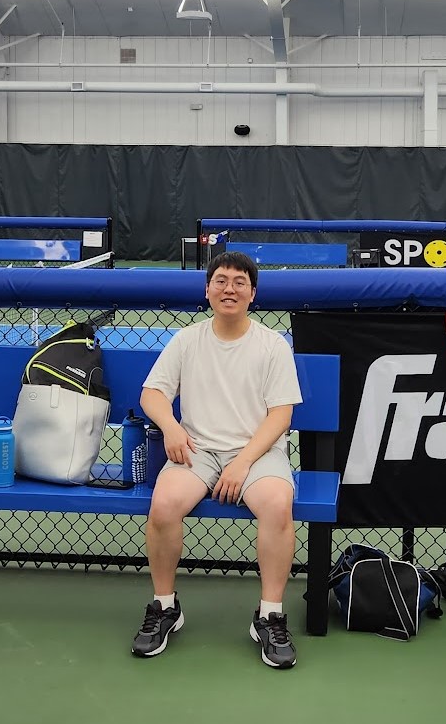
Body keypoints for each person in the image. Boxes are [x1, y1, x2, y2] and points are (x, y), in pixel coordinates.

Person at [132, 251, 304, 669]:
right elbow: (151, 394)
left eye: (239, 282)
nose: (230, 288)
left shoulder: (272, 345)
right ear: (207, 289)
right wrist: (172, 429)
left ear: (253, 293)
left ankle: (270, 615)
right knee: (164, 505)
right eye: (221, 280)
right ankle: (165, 607)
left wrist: (243, 461)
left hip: (256, 453)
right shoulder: (186, 340)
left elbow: (281, 414)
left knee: (278, 506)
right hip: (199, 450)